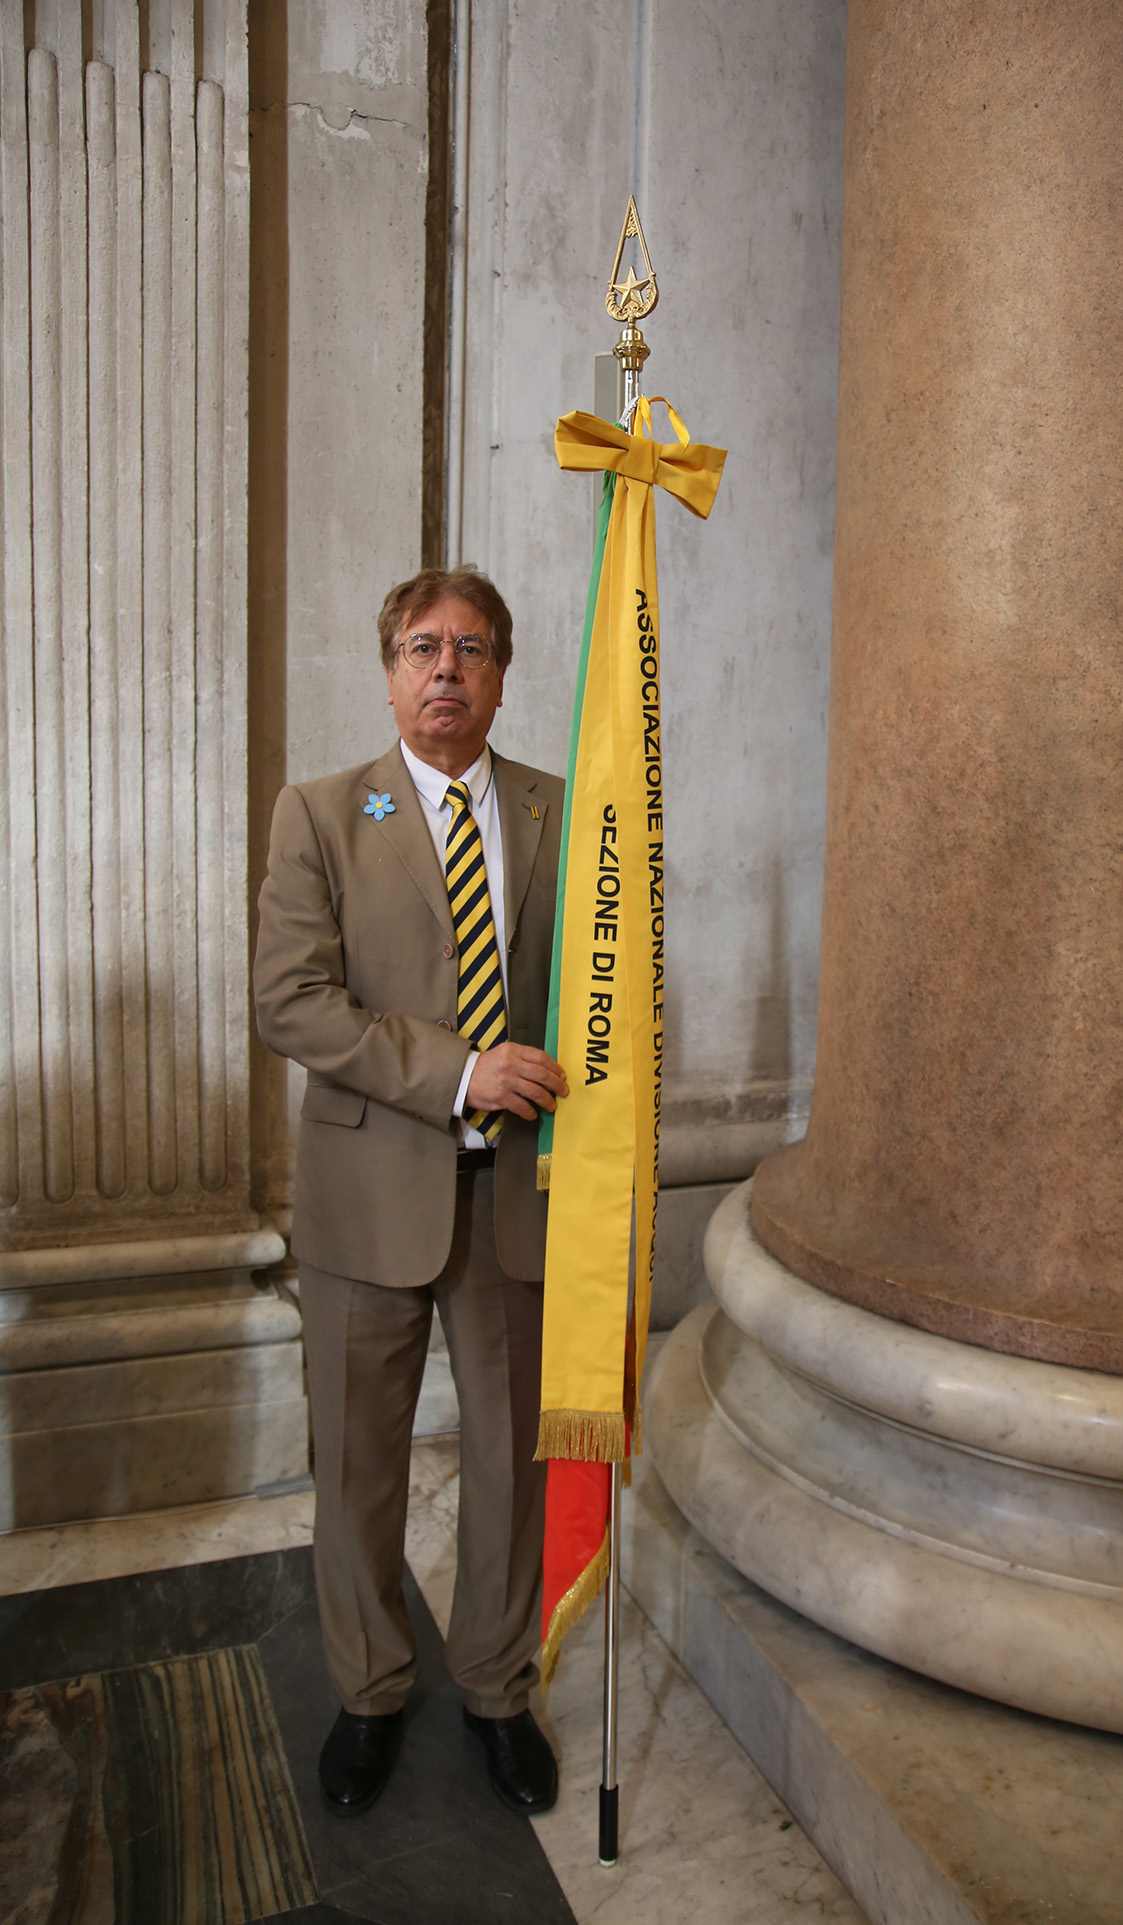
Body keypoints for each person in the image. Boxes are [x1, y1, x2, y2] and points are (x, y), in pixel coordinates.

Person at [254, 567, 567, 1817]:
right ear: (389, 671)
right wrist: (458, 1071)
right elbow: (291, 1001)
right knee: (358, 1466)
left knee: (509, 1462)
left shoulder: (562, 810)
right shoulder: (322, 813)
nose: (447, 669)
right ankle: (371, 1689)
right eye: (423, 647)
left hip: (516, 1200)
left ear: (502, 673)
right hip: (367, 1196)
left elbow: (604, 992)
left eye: (472, 648)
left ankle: (497, 1688)